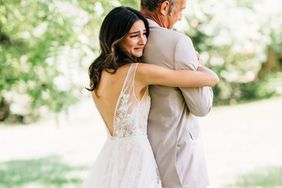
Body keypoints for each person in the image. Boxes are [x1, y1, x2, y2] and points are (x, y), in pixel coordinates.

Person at [81, 6, 218, 188]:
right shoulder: (138, 73)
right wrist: (196, 62)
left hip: (111, 157)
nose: (143, 41)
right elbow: (210, 78)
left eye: (144, 33)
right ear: (117, 38)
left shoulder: (98, 74)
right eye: (134, 36)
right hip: (137, 157)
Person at [140, 0, 214, 187]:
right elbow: (201, 106)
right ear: (165, 7)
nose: (180, 17)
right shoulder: (177, 42)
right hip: (179, 155)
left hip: (140, 152)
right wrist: (196, 64)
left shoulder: (123, 37)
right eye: (180, 10)